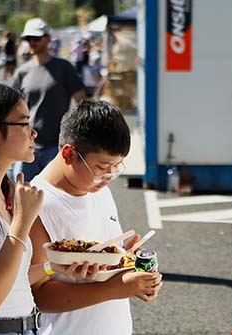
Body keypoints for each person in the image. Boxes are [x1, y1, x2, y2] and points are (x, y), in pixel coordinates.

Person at [0, 83, 96, 334]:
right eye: (24, 124)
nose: (34, 133)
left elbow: (9, 285)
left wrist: (52, 267)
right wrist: (22, 223)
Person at [29, 100, 163, 335]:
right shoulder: (37, 203)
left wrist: (129, 264)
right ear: (69, 154)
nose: (109, 176)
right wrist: (115, 289)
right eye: (102, 167)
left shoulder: (99, 190)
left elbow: (105, 265)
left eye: (117, 166)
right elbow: (39, 294)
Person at [9, 18, 85, 182]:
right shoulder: (22, 72)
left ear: (48, 38)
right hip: (26, 146)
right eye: (28, 39)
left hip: (56, 146)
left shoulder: (63, 68)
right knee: (21, 196)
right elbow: (10, 109)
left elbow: (82, 102)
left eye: (36, 38)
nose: (31, 42)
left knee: (54, 197)